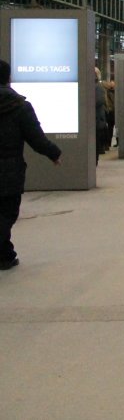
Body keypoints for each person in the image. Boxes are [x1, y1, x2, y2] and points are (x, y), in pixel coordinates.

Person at [0, 59, 62, 270]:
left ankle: (5, 255)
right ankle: (4, 255)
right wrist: (53, 153)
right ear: (8, 78)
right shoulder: (19, 106)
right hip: (9, 170)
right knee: (7, 212)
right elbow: (35, 137)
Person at [94, 67, 108, 163]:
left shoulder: (97, 87)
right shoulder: (96, 86)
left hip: (97, 122)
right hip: (97, 121)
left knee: (95, 147)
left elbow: (98, 101)